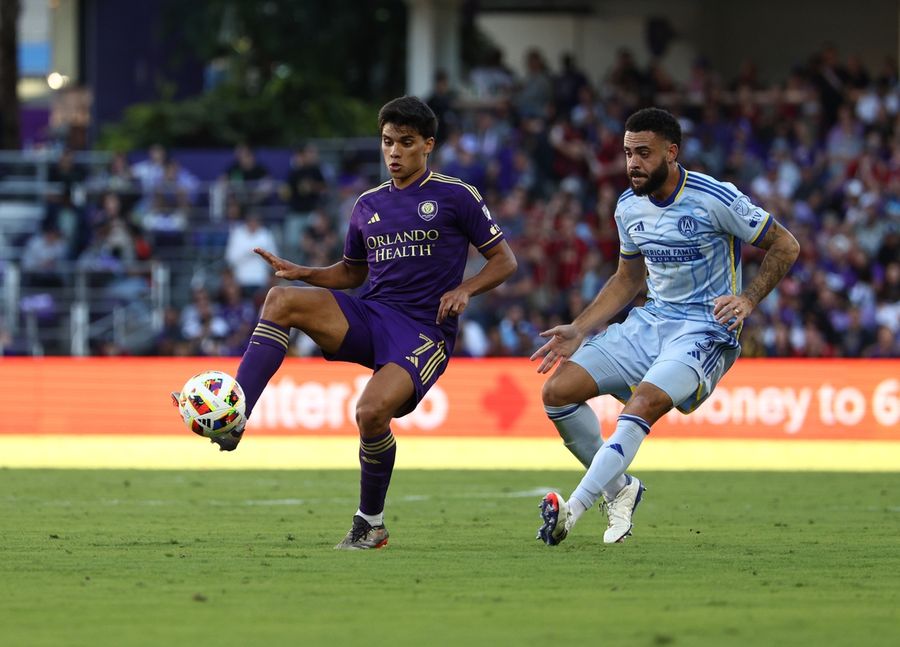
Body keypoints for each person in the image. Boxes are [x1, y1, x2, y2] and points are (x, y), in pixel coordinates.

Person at [172, 96, 517, 550]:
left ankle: (370, 523)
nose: (394, 152)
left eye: (406, 143)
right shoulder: (367, 204)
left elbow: (504, 261)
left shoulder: (456, 195)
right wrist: (306, 273)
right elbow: (353, 272)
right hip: (371, 314)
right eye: (388, 142)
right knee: (280, 300)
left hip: (423, 330)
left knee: (371, 413)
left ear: (428, 145)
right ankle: (236, 416)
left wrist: (465, 289)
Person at [532, 107, 799, 546]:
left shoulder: (715, 197)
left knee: (643, 402)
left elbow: (785, 244)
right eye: (627, 153)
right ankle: (621, 491)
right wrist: (580, 328)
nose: (632, 163)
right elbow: (627, 278)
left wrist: (748, 299)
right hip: (652, 320)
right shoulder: (627, 208)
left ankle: (572, 511)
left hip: (704, 328)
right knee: (557, 394)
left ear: (671, 153)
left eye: (643, 153)